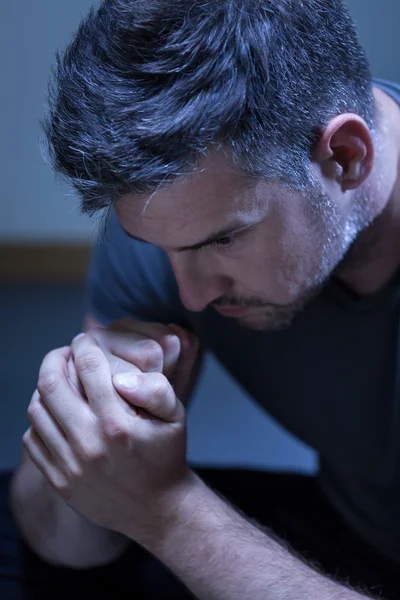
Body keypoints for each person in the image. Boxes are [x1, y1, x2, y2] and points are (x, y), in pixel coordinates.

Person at [3, 0, 400, 598]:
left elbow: (163, 518)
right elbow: (61, 547)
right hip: (361, 531)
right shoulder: (173, 216)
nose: (190, 294)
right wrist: (82, 438)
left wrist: (167, 513)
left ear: (344, 158)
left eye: (225, 240)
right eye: (159, 247)